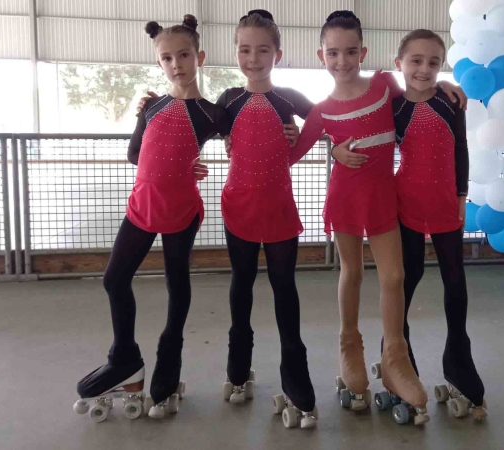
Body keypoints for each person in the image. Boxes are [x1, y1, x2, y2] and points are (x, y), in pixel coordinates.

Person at [289, 10, 466, 423]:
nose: (343, 60)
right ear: (321, 55)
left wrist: (444, 84)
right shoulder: (321, 110)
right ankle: (349, 346)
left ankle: (395, 357)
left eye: (351, 51)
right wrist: (330, 150)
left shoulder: (385, 86)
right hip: (345, 199)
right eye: (334, 53)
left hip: (385, 198)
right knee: (352, 273)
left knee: (394, 277)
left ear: (363, 51)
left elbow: (419, 88)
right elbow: (291, 156)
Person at [73, 15, 230, 421]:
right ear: (158, 63)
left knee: (176, 284)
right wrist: (149, 130)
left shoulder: (211, 114)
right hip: (142, 206)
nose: (176, 64)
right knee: (114, 278)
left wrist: (197, 163)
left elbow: (241, 144)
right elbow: (134, 154)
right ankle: (124, 357)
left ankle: (168, 360)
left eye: (184, 55)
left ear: (200, 56)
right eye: (167, 58)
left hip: (181, 210)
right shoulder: (153, 104)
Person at [216, 9, 318, 429]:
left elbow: (328, 117)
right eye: (244, 49)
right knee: (241, 289)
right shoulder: (227, 99)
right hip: (238, 206)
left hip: (278, 208)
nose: (253, 58)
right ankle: (238, 374)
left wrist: (302, 139)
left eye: (262, 50)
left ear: (278, 53)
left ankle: (295, 382)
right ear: (235, 51)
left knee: (284, 291)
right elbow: (190, 126)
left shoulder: (289, 98)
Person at [383, 29, 486, 420]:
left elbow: (460, 150)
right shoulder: (392, 107)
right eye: (415, 61)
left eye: (433, 63)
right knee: (406, 283)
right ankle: (397, 359)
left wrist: (461, 197)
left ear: (441, 67)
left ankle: (459, 364)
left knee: (455, 283)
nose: (424, 69)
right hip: (405, 204)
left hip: (446, 206)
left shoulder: (450, 102)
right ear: (400, 64)